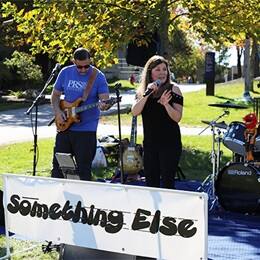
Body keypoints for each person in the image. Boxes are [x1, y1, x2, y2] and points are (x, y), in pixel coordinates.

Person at [51, 47, 110, 181]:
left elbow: (105, 100)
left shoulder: (98, 76)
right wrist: (58, 112)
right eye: (79, 67)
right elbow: (55, 96)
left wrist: (104, 105)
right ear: (73, 62)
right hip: (65, 127)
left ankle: (82, 201)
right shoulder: (65, 72)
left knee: (83, 170)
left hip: (86, 130)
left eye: (86, 66)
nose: (83, 70)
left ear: (91, 61)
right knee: (59, 167)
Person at [132, 55, 183, 189]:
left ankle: (168, 209)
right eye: (158, 70)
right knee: (151, 182)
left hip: (170, 143)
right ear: (150, 73)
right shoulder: (142, 92)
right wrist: (147, 94)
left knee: (167, 183)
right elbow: (135, 112)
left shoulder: (174, 89)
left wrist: (166, 105)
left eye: (164, 69)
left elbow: (177, 117)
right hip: (150, 144)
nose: (162, 73)